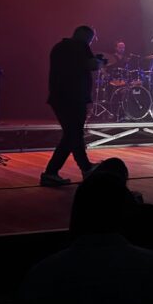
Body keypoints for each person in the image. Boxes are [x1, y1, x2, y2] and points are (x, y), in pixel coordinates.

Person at [40, 26, 106, 186]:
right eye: (91, 38)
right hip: (74, 97)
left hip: (58, 97)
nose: (91, 42)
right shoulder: (80, 46)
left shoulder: (58, 47)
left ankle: (81, 168)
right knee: (73, 135)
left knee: (72, 135)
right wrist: (100, 62)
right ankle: (77, 169)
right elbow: (92, 65)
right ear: (85, 36)